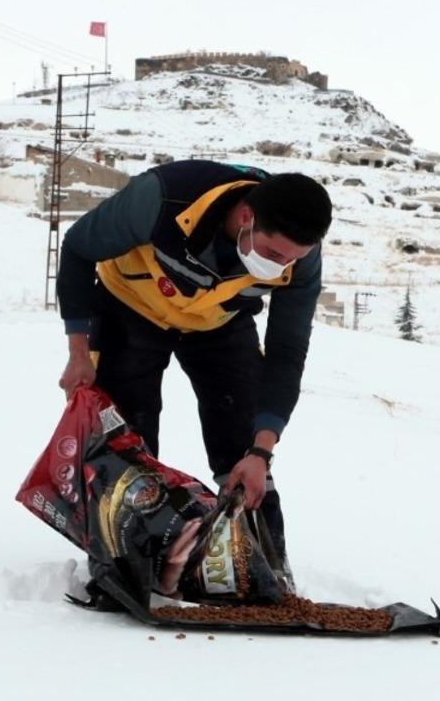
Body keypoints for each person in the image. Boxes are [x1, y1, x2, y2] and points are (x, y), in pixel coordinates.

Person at [56, 159, 332, 564]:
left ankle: (262, 566)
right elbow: (78, 249)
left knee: (242, 437)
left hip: (217, 321)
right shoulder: (162, 196)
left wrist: (260, 452)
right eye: (273, 254)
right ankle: (125, 564)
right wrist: (78, 353)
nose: (281, 268)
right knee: (127, 440)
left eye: (291, 260)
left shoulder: (299, 256)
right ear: (246, 217)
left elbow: (287, 352)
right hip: (130, 307)